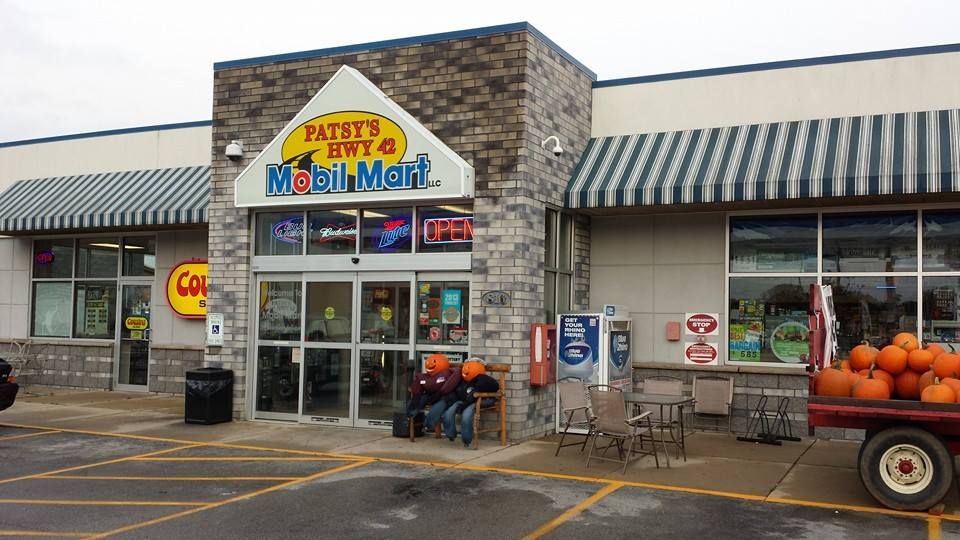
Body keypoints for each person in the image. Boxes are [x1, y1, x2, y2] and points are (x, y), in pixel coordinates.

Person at [442, 358, 499, 448]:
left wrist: (476, 387)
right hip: (465, 401)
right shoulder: (463, 380)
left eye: (470, 367)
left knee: (466, 414)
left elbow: (495, 386)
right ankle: (451, 435)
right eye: (466, 367)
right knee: (448, 412)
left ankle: (466, 440)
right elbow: (458, 391)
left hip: (481, 400)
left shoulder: (483, 379)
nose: (466, 369)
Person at [406, 353, 460, 432]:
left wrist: (440, 393)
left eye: (434, 361)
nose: (430, 363)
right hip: (430, 395)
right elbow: (418, 384)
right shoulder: (424, 376)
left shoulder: (448, 373)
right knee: (418, 399)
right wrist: (416, 395)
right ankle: (410, 414)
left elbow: (457, 374)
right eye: (429, 360)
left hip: (445, 396)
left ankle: (427, 425)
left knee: (438, 407)